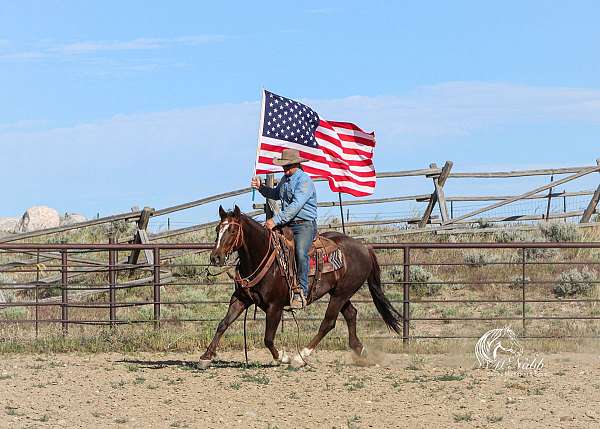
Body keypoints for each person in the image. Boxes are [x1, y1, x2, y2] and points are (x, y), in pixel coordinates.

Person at [251, 149, 317, 309]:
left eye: (288, 166)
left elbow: (296, 206)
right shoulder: (285, 180)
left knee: (301, 253)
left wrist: (275, 220)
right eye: (284, 167)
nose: (285, 170)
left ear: (297, 164)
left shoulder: (304, 181)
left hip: (304, 224)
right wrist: (261, 188)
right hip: (288, 224)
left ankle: (302, 290)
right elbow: (275, 194)